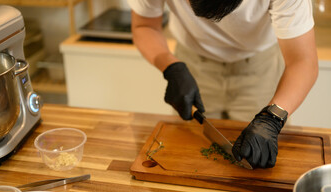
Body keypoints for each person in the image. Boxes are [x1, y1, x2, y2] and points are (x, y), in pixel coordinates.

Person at [126, 0, 318, 169]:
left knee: (259, 157)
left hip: (259, 69)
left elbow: (303, 61)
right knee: (185, 155)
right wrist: (170, 67)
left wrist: (272, 118)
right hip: (192, 66)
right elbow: (145, 26)